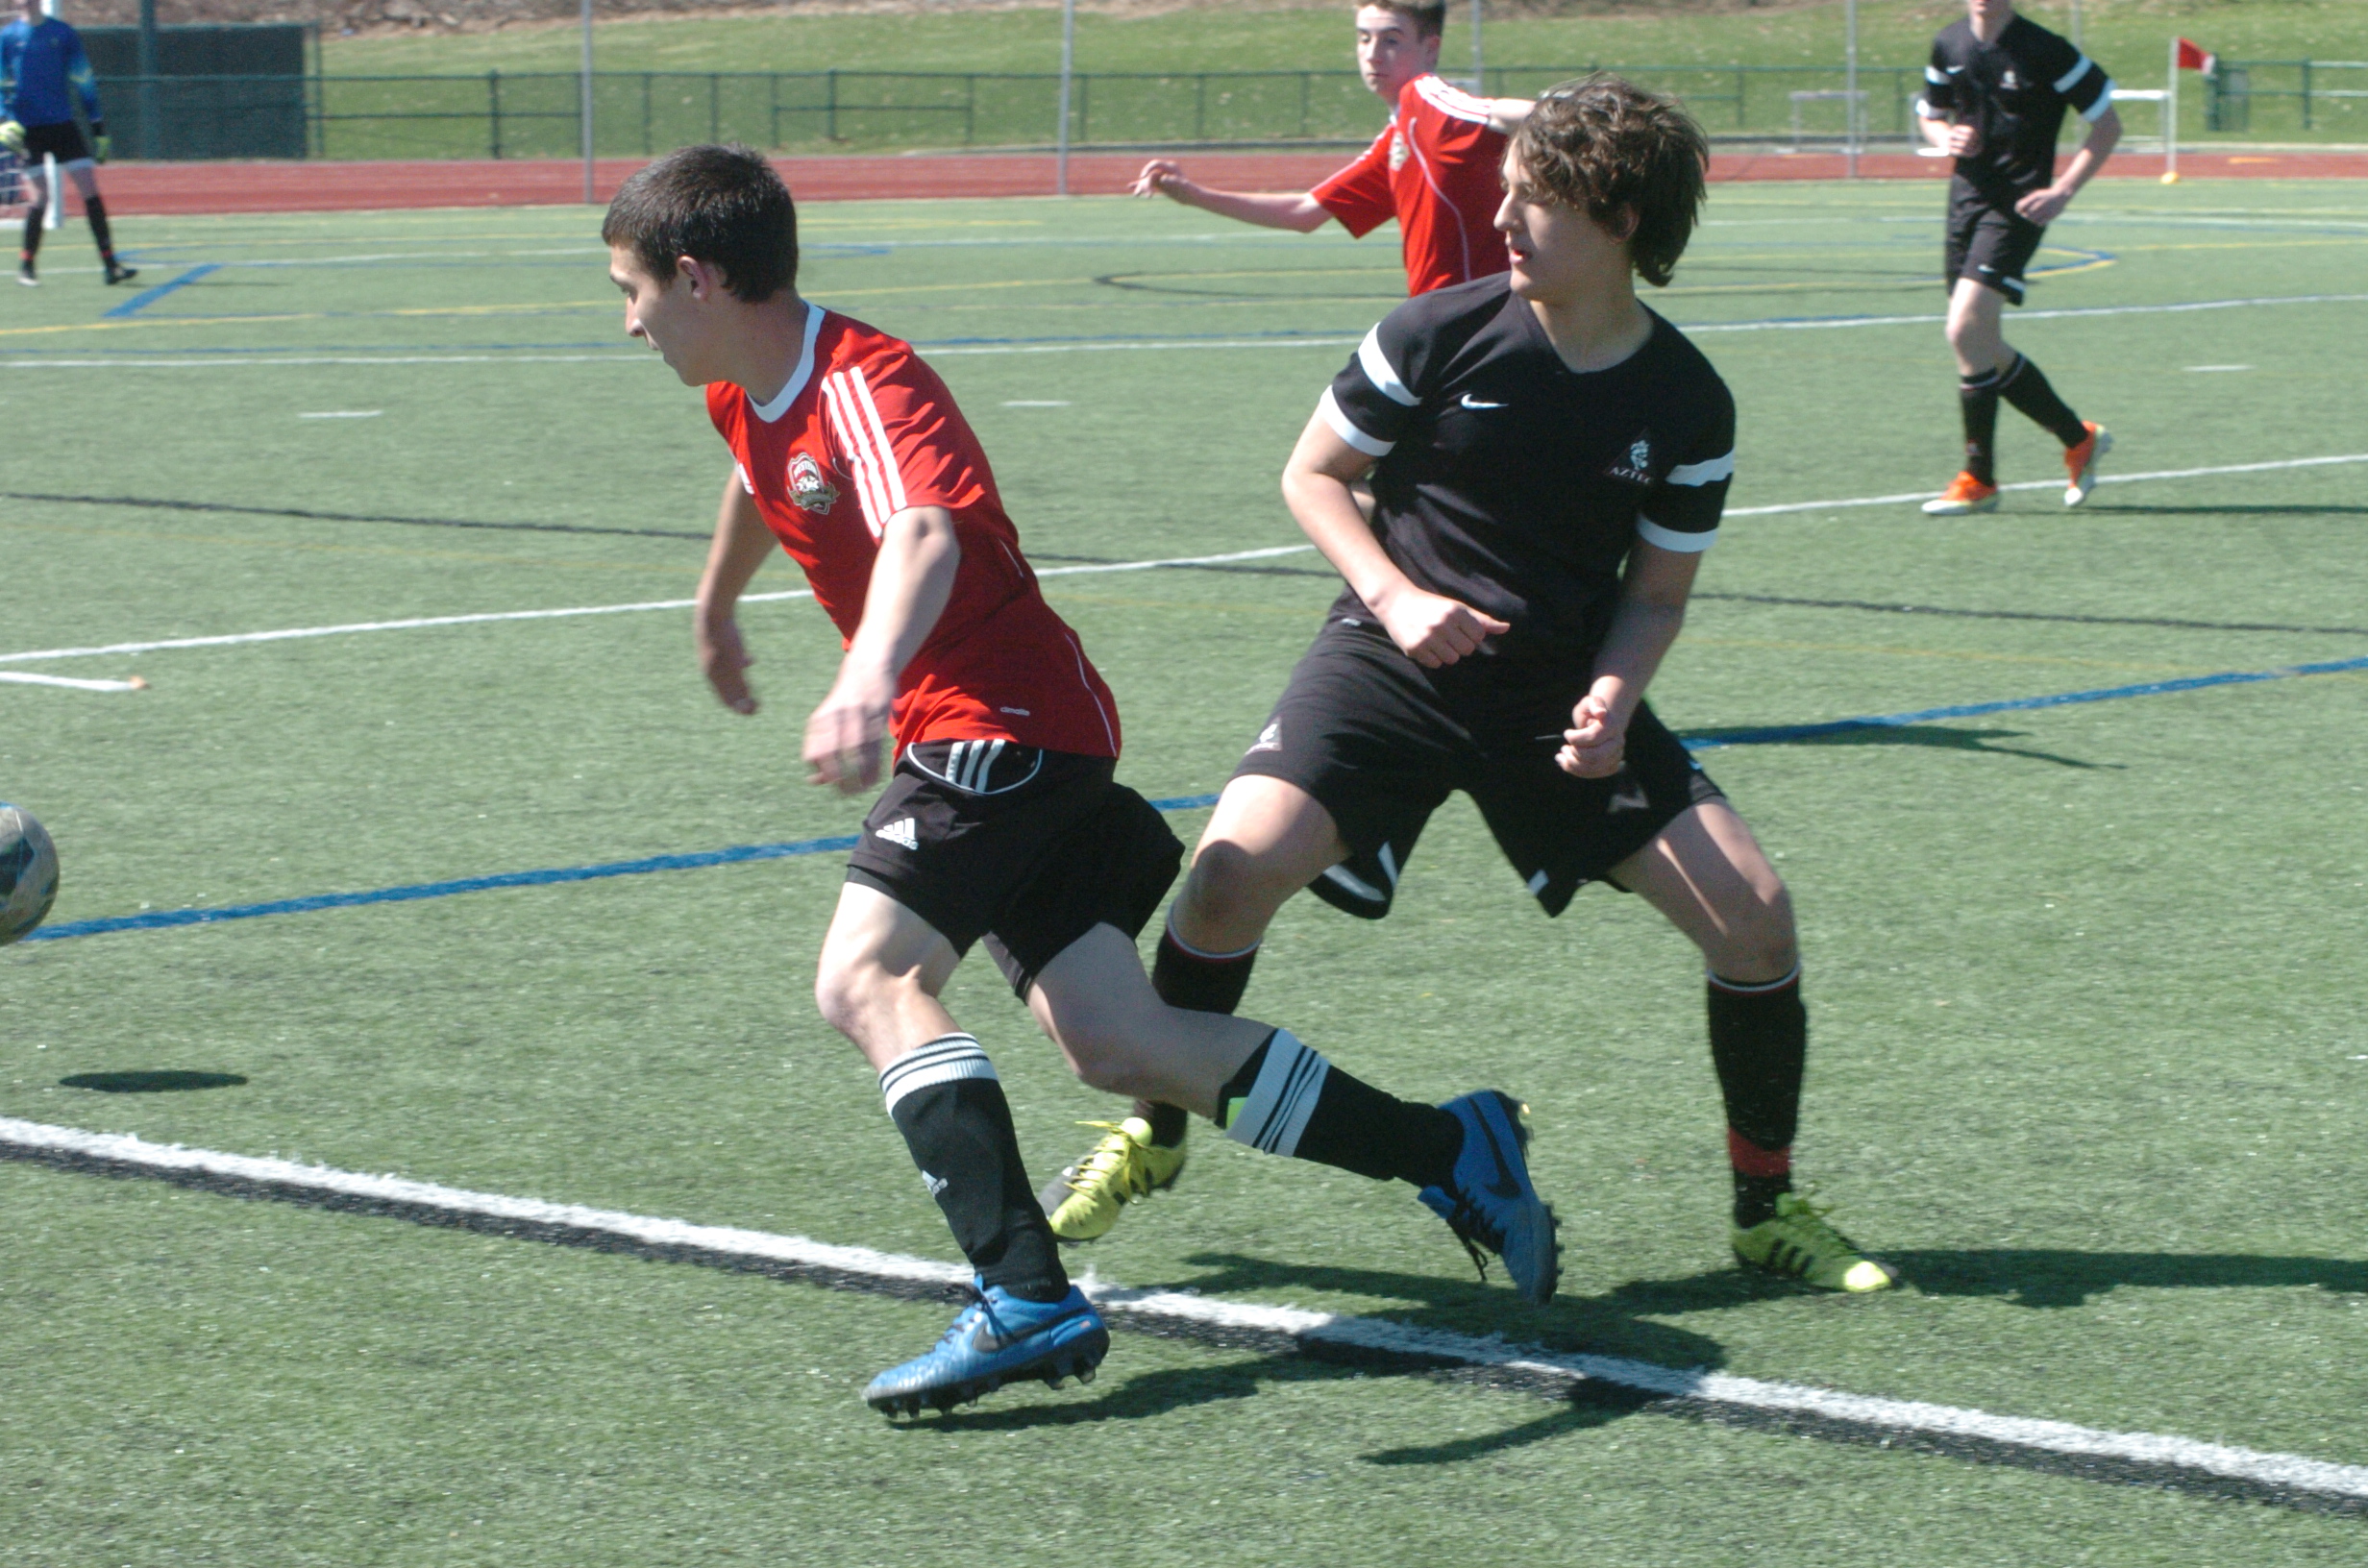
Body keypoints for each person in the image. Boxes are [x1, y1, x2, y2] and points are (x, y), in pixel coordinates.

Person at [602, 146, 1561, 1416]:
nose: (629, 322)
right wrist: (717, 604)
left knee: (866, 980)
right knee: (1120, 1044)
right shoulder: (746, 384)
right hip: (1016, 732)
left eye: (631, 291)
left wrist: (867, 675)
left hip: (995, 726)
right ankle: (1452, 1146)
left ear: (697, 278)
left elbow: (925, 531)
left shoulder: (864, 381)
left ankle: (1025, 1296)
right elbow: (759, 473)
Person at [1046, 78, 1898, 1297]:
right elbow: (1312, 476)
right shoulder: (1434, 332)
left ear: (1619, 222)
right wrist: (1395, 596)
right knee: (1226, 877)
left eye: (1533, 201)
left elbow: (1655, 595)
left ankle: (1767, 1210)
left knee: (1755, 916)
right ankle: (1158, 1127)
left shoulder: (1687, 401)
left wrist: (1613, 699)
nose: (1500, 220)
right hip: (1387, 662)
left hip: (1551, 692)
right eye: (1506, 192)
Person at [1130, 1, 1531, 297]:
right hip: (1440, 320)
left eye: (1391, 40)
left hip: (1473, 319)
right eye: (1364, 38)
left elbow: (1496, 113)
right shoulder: (1397, 138)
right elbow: (1304, 213)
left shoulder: (1424, 96)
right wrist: (1194, 195)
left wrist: (1563, 112)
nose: (1372, 53)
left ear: (1430, 49)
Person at [1914, 0, 2117, 516]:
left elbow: (2107, 125)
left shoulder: (2046, 50)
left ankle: (1979, 479)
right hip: (1965, 202)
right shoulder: (1949, 43)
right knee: (1979, 341)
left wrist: (2063, 190)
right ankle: (2078, 439)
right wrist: (1946, 137)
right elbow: (1930, 115)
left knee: (1963, 329)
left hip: (2020, 205)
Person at [0, 0, 135, 287]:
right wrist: (4, 120)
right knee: (41, 197)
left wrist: (98, 129)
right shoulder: (8, 37)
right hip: (28, 130)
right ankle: (27, 266)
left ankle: (110, 265)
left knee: (90, 190)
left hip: (63, 125)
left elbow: (84, 81)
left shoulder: (63, 33)